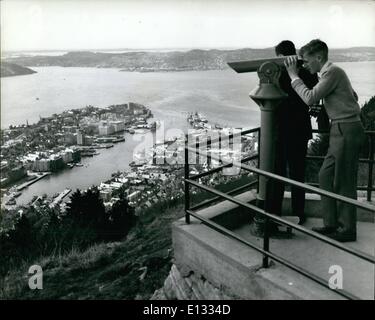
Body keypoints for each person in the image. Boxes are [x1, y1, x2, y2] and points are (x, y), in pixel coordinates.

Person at [285, 39, 365, 242]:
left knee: (344, 181)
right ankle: (331, 223)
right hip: (339, 128)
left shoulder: (333, 72)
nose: (305, 64)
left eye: (307, 60)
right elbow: (353, 96)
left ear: (319, 57)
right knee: (325, 177)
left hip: (346, 128)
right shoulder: (329, 75)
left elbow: (309, 97)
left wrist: (294, 76)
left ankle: (347, 229)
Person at [267, 40, 319, 229]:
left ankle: (274, 212)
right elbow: (315, 90)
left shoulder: (280, 74)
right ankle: (299, 213)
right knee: (297, 174)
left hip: (281, 131)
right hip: (300, 130)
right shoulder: (305, 72)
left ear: (280, 56)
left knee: (277, 173)